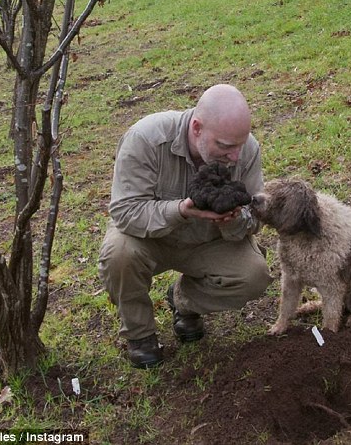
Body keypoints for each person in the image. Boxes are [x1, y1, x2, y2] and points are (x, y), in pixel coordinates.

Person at [98, 84, 272, 368]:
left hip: (208, 240)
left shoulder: (246, 149)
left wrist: (235, 220)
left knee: (253, 275)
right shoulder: (146, 139)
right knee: (119, 254)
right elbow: (124, 211)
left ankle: (182, 300)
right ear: (196, 127)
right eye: (226, 147)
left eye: (240, 146)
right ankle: (140, 334)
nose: (236, 157)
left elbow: (255, 215)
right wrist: (180, 210)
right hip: (148, 238)